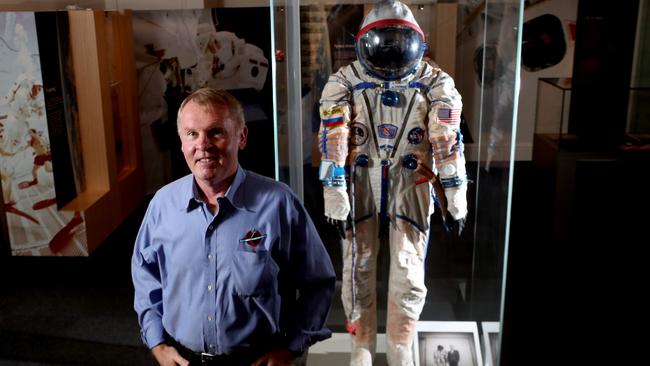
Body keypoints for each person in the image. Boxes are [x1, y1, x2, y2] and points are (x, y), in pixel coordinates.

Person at [132, 87, 336, 366]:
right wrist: (157, 343)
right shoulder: (163, 205)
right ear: (181, 142)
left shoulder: (278, 203)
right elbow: (146, 277)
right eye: (192, 134)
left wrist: (291, 348)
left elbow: (318, 282)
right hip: (182, 360)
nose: (203, 145)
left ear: (241, 137)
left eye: (215, 132)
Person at [317, 1, 468, 365]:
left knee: (409, 268)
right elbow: (332, 144)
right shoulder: (343, 83)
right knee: (358, 266)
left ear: (416, 42)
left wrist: (455, 198)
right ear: (365, 42)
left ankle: (401, 344)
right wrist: (335, 196)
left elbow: (447, 144)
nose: (390, 53)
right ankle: (362, 345)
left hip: (411, 182)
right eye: (384, 43)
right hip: (359, 183)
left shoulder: (436, 84)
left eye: (399, 44)